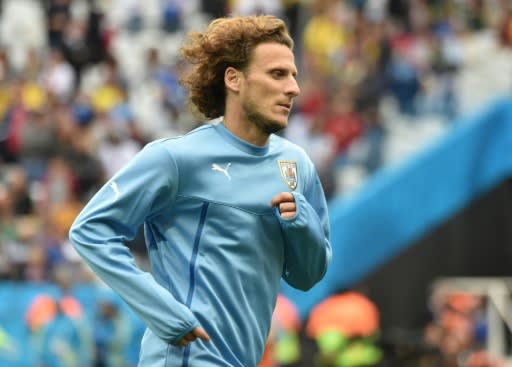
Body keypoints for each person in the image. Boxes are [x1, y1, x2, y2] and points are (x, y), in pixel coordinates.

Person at [68, 14, 332, 367]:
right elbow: (90, 232)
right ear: (234, 79)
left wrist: (301, 224)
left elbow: (308, 276)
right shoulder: (177, 158)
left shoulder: (297, 166)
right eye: (277, 74)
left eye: (294, 76)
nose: (293, 88)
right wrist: (166, 315)